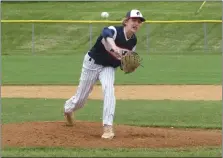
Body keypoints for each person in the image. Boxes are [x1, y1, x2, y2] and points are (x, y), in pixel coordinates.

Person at [63, 9, 146, 139]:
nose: (136, 23)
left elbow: (125, 60)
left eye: (139, 21)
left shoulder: (133, 41)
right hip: (92, 63)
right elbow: (106, 33)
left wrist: (128, 67)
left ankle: (108, 127)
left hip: (108, 67)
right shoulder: (114, 30)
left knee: (109, 91)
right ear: (126, 21)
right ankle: (68, 109)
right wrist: (115, 47)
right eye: (134, 20)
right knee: (81, 99)